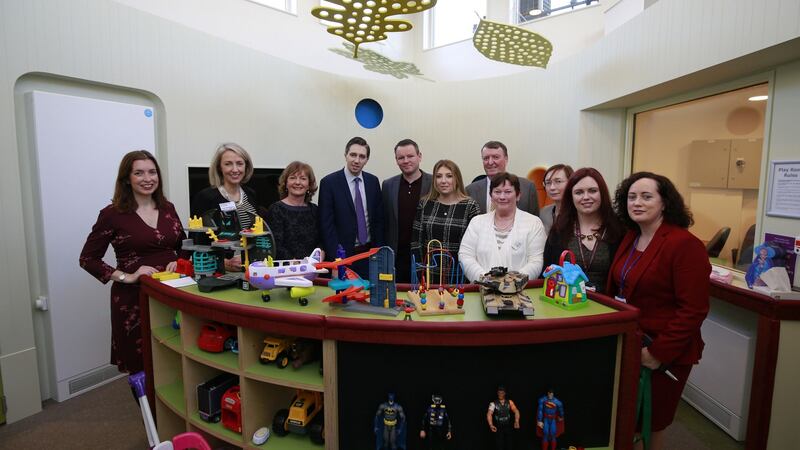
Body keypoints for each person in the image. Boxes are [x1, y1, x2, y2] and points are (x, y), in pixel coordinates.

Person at [607, 172, 710, 450]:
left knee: (651, 424)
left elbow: (694, 309)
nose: (637, 203)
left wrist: (657, 353)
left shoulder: (684, 244)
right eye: (631, 197)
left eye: (646, 196)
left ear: (665, 202)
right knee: (629, 422)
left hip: (663, 354)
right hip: (632, 346)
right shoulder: (632, 237)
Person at [79, 150, 185, 374]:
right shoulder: (112, 214)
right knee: (142, 366)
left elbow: (182, 247)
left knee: (173, 357)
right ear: (127, 178)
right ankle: (148, 410)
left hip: (170, 293)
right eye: (139, 173)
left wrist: (180, 262)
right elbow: (88, 259)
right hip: (133, 299)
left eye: (152, 172)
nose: (148, 179)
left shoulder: (168, 208)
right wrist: (127, 276)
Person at [542, 168, 623, 293]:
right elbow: (547, 273)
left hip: (607, 306)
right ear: (571, 197)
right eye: (579, 192)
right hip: (566, 305)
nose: (586, 197)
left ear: (602, 193)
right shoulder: (559, 230)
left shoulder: (618, 229)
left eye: (592, 191)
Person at [460, 172, 546, 283]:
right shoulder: (477, 222)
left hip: (520, 293)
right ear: (491, 196)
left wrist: (513, 283)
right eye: (497, 192)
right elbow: (465, 255)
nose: (502, 196)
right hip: (481, 289)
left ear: (518, 195)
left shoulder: (534, 223)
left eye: (508, 192)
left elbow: (536, 261)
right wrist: (485, 280)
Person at [318, 136, 384, 278]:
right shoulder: (329, 183)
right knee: (344, 297)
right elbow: (326, 225)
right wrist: (337, 258)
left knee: (368, 297)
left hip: (369, 255)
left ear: (366, 160)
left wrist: (378, 253)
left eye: (362, 156)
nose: (356, 160)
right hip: (343, 257)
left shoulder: (373, 182)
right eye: (353, 155)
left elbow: (378, 221)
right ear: (345, 155)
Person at [191, 143, 258, 271]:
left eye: (239, 163)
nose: (235, 169)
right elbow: (197, 240)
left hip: (250, 267)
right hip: (218, 270)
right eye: (228, 164)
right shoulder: (206, 197)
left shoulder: (251, 194)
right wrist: (224, 262)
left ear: (246, 166)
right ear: (219, 168)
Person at [411, 159, 479, 283]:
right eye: (438, 176)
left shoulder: (470, 206)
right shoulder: (425, 204)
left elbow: (476, 245)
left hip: (459, 274)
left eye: (449, 176)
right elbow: (416, 242)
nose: (443, 181)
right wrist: (420, 272)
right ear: (434, 181)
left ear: (457, 179)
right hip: (429, 274)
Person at [382, 139, 432, 283]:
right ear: (396, 160)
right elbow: (385, 221)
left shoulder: (434, 183)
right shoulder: (388, 185)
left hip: (424, 257)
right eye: (401, 158)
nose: (406, 161)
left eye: (410, 156)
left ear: (419, 156)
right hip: (396, 257)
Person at [265, 161, 321, 260]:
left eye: (303, 179)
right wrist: (295, 263)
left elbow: (322, 239)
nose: (297, 182)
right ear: (286, 183)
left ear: (309, 185)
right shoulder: (276, 209)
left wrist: (320, 254)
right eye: (292, 178)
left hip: (313, 268)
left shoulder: (315, 210)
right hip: (285, 268)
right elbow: (275, 244)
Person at [466, 141, 539, 215]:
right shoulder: (470, 190)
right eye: (486, 158)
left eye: (496, 157)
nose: (490, 162)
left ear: (506, 159)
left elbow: (535, 220)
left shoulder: (527, 187)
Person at [538, 164, 574, 235]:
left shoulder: (580, 213)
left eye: (558, 181)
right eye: (548, 183)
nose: (552, 187)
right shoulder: (543, 213)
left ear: (571, 183)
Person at [487, 385, 520, 450]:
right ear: (497, 393)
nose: (500, 394)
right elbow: (489, 414)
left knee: (509, 444)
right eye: (499, 393)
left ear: (504, 393)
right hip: (498, 427)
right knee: (499, 445)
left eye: (502, 393)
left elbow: (516, 411)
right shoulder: (493, 403)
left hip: (508, 425)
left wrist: (516, 421)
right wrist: (491, 425)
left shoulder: (510, 402)